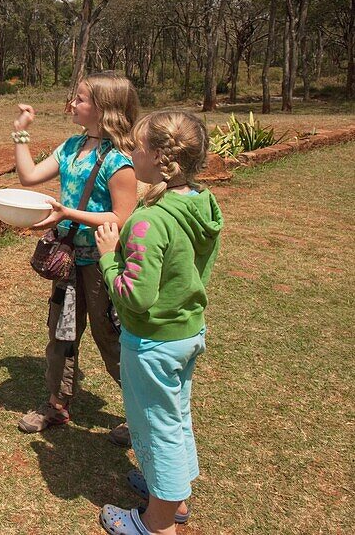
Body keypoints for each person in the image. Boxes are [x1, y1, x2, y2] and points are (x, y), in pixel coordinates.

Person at [94, 109, 222, 535]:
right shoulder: (201, 202)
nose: (130, 152)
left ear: (158, 157)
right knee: (177, 416)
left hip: (152, 342)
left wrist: (110, 257)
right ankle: (174, 498)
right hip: (187, 332)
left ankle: (157, 523)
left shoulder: (151, 220)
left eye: (135, 146)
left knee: (156, 427)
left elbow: (137, 296)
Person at [12, 72, 139, 446]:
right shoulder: (71, 147)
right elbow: (29, 176)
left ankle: (139, 415)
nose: (73, 104)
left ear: (103, 109)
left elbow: (121, 218)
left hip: (103, 263)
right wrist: (21, 133)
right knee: (61, 334)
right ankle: (57, 404)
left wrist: (68, 214)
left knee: (110, 337)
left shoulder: (120, 162)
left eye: (80, 99)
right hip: (68, 263)